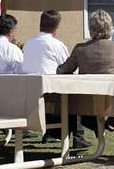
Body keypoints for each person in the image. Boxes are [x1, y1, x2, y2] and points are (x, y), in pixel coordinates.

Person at [57, 9, 114, 157]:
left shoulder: (80, 49)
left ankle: (108, 124)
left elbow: (63, 71)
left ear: (91, 28)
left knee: (86, 107)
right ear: (109, 27)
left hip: (88, 104)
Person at [21, 10, 92, 148]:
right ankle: (79, 136)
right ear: (57, 27)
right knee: (73, 94)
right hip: (51, 93)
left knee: (59, 91)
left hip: (30, 93)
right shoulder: (57, 45)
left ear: (40, 24)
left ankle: (52, 133)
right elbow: (69, 68)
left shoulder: (28, 44)